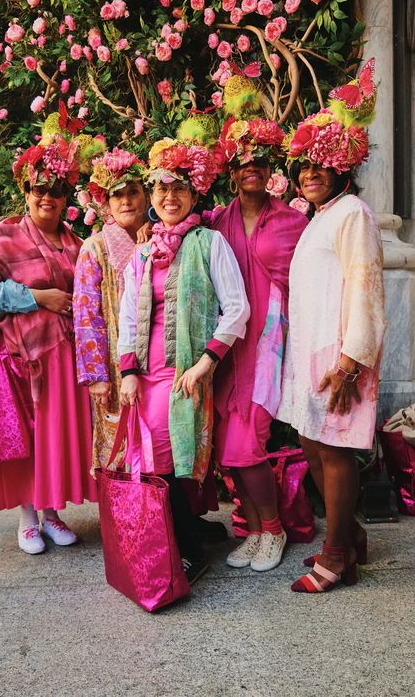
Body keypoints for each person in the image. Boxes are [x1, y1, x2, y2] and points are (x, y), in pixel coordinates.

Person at [118, 136, 250, 584]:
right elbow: (126, 315)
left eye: (179, 189)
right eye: (160, 190)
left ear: (195, 195)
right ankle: (179, 542)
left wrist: (205, 363)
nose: (169, 198)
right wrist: (128, 371)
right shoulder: (141, 253)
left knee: (172, 459)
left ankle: (187, 549)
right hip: (147, 374)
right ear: (151, 198)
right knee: (158, 460)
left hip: (185, 374)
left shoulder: (209, 243)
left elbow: (237, 309)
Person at [0, 130, 100, 554]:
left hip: (67, 360)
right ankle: (27, 517)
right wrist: (37, 297)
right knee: (25, 437)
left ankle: (51, 512)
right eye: (40, 188)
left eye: (58, 190)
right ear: (26, 189)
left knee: (54, 438)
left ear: (66, 197)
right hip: (21, 358)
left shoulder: (79, 245)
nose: (49, 197)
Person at [281, 59, 386, 592]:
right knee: (312, 446)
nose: (310, 173)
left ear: (344, 166)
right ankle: (352, 535)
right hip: (310, 353)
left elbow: (365, 287)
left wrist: (350, 361)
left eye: (321, 164)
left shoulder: (354, 215)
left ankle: (336, 552)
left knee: (335, 450)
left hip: (340, 354)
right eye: (303, 166)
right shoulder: (320, 216)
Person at [206, 110, 308, 573]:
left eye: (261, 160)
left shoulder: (292, 222)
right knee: (228, 447)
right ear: (231, 171)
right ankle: (253, 527)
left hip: (267, 347)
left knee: (247, 444)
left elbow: (311, 283)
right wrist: (149, 223)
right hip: (226, 347)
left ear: (271, 172)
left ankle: (274, 529)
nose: (253, 166)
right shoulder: (214, 221)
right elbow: (177, 229)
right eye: (243, 159)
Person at [73, 148, 149, 471]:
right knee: (117, 438)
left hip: (152, 359)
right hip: (113, 367)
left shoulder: (159, 238)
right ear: (106, 202)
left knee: (154, 439)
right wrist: (96, 376)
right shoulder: (95, 247)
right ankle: (123, 519)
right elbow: (85, 315)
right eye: (117, 195)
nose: (127, 201)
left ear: (146, 197)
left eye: (133, 192)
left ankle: (161, 517)